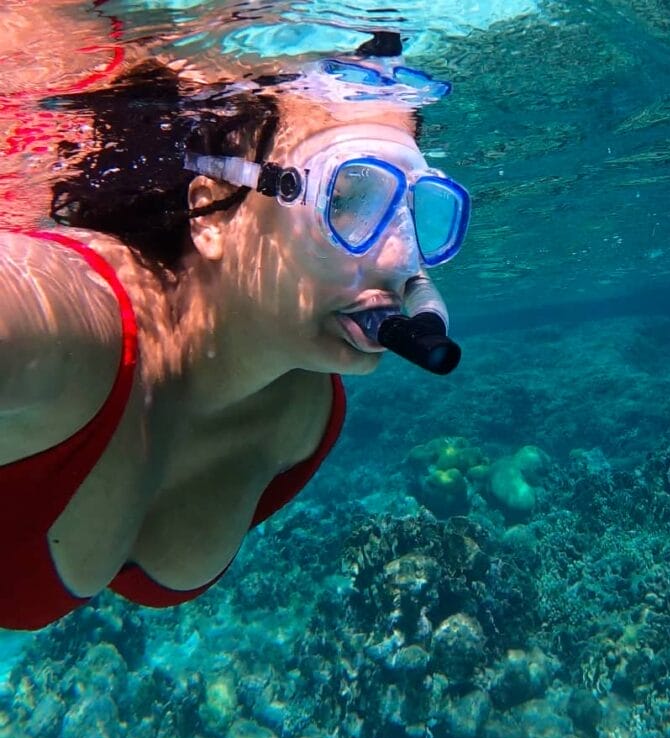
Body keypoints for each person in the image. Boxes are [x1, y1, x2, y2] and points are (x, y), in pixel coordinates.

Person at [0, 30, 470, 630]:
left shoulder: (305, 418)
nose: (403, 262)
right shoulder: (63, 325)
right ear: (216, 209)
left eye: (414, 209)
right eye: (348, 198)